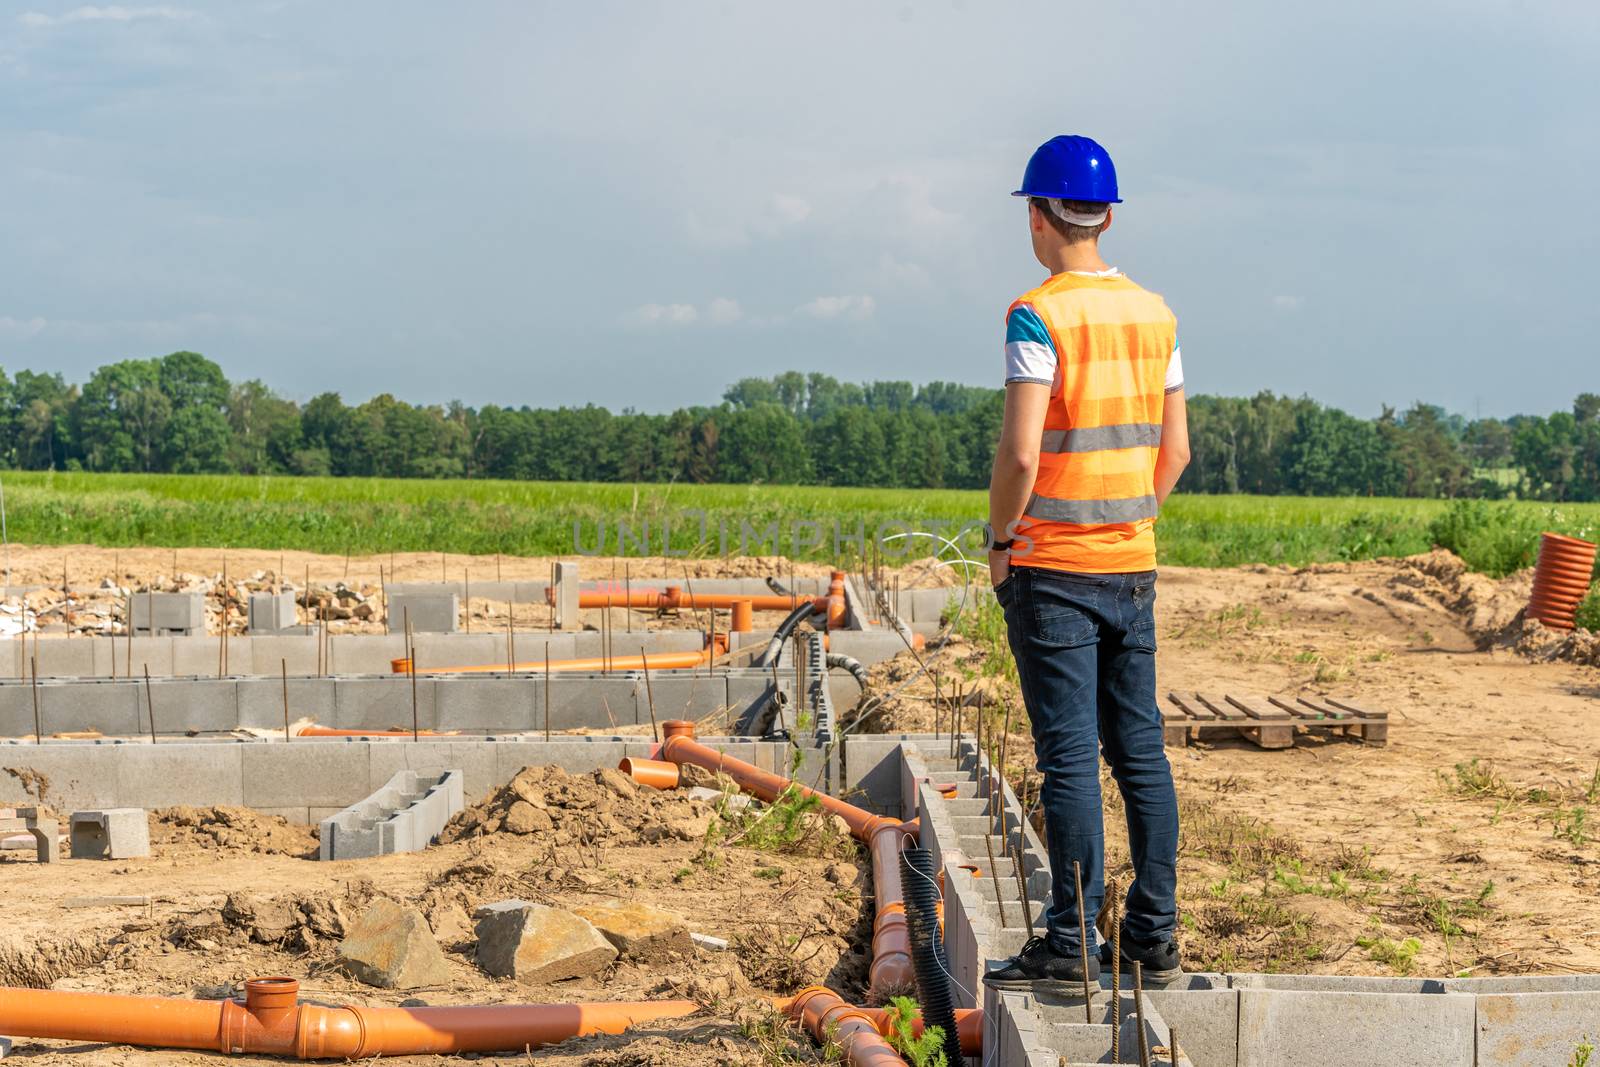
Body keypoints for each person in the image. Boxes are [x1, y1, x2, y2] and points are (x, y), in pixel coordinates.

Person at [982, 134, 1190, 991]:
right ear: (1105, 216)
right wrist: (1127, 522)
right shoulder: (1155, 314)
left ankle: (1068, 941)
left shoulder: (1037, 312)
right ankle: (1154, 933)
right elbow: (1174, 453)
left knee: (1066, 756)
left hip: (1053, 570)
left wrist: (1000, 544)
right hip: (1130, 563)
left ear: (1039, 217)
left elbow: (1021, 455)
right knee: (1138, 747)